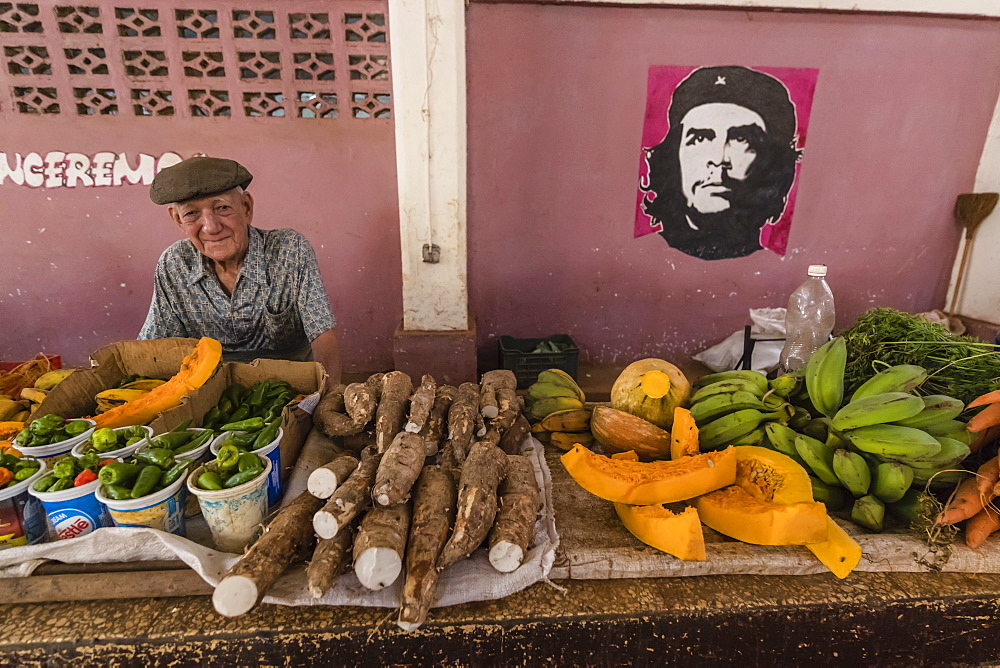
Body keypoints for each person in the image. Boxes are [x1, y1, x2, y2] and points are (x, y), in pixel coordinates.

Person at [138, 156, 342, 384]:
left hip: (291, 382)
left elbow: (322, 333)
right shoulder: (174, 264)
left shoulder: (289, 249)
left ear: (246, 207)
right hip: (213, 388)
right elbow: (154, 347)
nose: (211, 227)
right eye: (191, 214)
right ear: (177, 219)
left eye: (222, 208)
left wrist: (326, 399)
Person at [640, 65, 801, 260]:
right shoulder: (637, 256)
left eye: (742, 140)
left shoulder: (779, 271)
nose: (718, 160)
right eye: (700, 139)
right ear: (673, 157)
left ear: (773, 166)